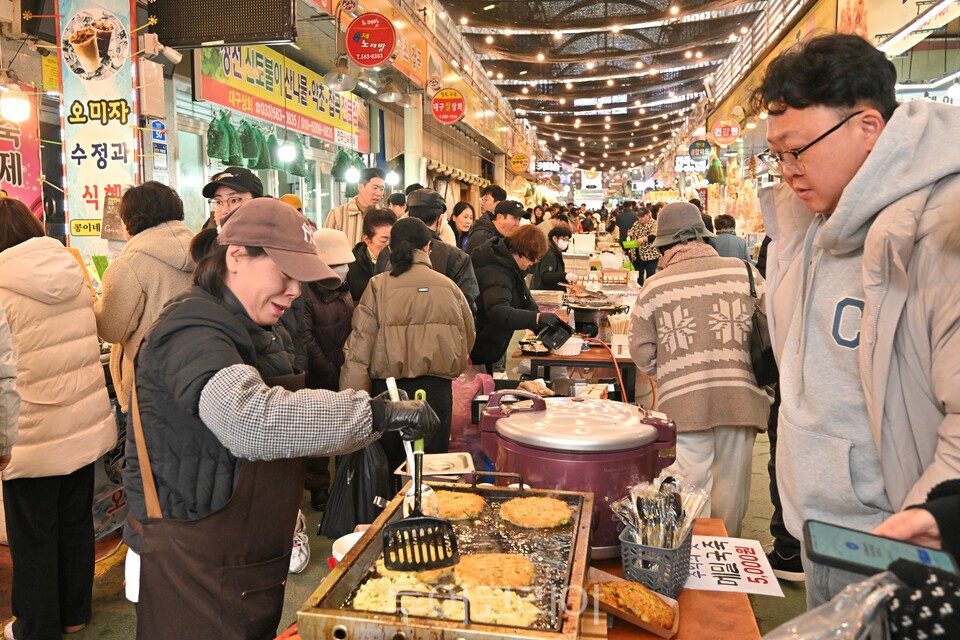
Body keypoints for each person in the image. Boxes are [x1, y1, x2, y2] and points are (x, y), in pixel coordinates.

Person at [122, 198, 438, 638]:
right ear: (236, 256)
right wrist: (376, 412)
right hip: (190, 560)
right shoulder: (191, 331)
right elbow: (250, 420)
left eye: (300, 279)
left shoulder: (255, 329)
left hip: (242, 557)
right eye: (285, 273)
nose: (294, 291)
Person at [752, 33, 960, 606]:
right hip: (822, 533)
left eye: (798, 150)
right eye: (777, 155)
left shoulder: (940, 230)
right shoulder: (810, 225)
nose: (787, 170)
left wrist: (936, 513)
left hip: (902, 547)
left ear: (868, 127)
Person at [0, 199, 117, 640]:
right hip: (81, 424)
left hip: (30, 431)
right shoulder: (70, 270)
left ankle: (37, 627)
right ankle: (74, 613)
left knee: (32, 537)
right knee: (74, 524)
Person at [628, 202, 770, 537]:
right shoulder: (747, 273)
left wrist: (674, 371)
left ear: (665, 245)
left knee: (689, 489)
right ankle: (726, 553)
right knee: (731, 490)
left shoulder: (655, 286)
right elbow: (773, 329)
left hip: (683, 404)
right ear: (704, 236)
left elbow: (642, 352)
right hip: (741, 398)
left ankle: (690, 557)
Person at [341, 217, 475, 475]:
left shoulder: (378, 286)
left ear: (391, 248)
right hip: (437, 392)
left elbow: (359, 348)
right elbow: (468, 338)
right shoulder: (449, 287)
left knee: (392, 469)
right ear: (428, 247)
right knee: (432, 468)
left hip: (390, 394)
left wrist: (353, 402)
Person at [95, 182, 196, 415]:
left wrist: (92, 306)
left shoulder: (129, 266)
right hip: (199, 372)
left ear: (129, 220)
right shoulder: (202, 252)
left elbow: (112, 330)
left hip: (150, 387)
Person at [301, 229, 356, 514]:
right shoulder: (306, 294)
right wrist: (328, 368)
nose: (343, 269)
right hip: (318, 374)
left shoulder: (344, 289)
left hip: (342, 369)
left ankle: (342, 483)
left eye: (344, 264)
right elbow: (305, 337)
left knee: (340, 429)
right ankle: (318, 487)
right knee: (318, 434)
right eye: (336, 264)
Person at [376, 189, 480, 315]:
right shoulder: (457, 257)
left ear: (408, 216)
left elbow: (376, 299)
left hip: (392, 324)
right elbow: (467, 306)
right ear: (440, 220)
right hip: (441, 325)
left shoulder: (387, 252)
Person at [471, 225, 558, 372]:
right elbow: (498, 311)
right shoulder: (496, 270)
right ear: (523, 253)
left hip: (490, 344)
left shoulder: (510, 265)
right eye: (532, 260)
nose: (531, 266)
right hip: (479, 345)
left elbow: (524, 297)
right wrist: (536, 319)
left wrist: (541, 325)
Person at [345, 208, 396, 303]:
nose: (390, 245)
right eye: (383, 240)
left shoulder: (401, 262)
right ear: (367, 240)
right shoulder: (350, 264)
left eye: (393, 239)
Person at [325, 167, 386, 246]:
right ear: (360, 187)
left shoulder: (384, 217)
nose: (379, 193)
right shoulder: (337, 215)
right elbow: (326, 246)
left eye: (382, 189)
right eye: (375, 188)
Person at [531, 225, 577, 291]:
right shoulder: (549, 253)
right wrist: (564, 276)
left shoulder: (555, 251)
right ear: (555, 238)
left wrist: (565, 279)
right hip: (544, 293)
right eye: (564, 239)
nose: (566, 243)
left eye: (567, 240)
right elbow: (545, 276)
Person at [626, 206, 660, 282]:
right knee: (638, 276)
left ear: (648, 215)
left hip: (651, 255)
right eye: (639, 216)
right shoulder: (636, 223)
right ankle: (639, 288)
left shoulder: (654, 223)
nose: (640, 218)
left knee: (650, 276)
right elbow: (632, 230)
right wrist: (630, 233)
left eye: (642, 216)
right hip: (637, 255)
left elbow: (654, 236)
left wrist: (643, 239)